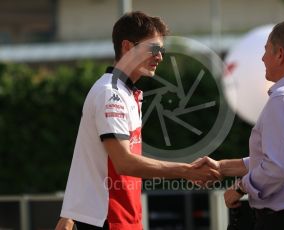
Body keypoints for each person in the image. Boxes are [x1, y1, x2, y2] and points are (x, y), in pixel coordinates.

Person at [55, 11, 220, 230]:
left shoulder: (125, 92)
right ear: (126, 47)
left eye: (161, 50)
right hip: (108, 218)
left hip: (122, 216)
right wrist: (186, 171)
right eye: (153, 49)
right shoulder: (110, 93)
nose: (160, 57)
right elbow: (124, 162)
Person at [195, 19, 284, 230]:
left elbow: (279, 167)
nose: (262, 58)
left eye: (266, 51)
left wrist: (240, 188)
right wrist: (222, 167)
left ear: (280, 54)